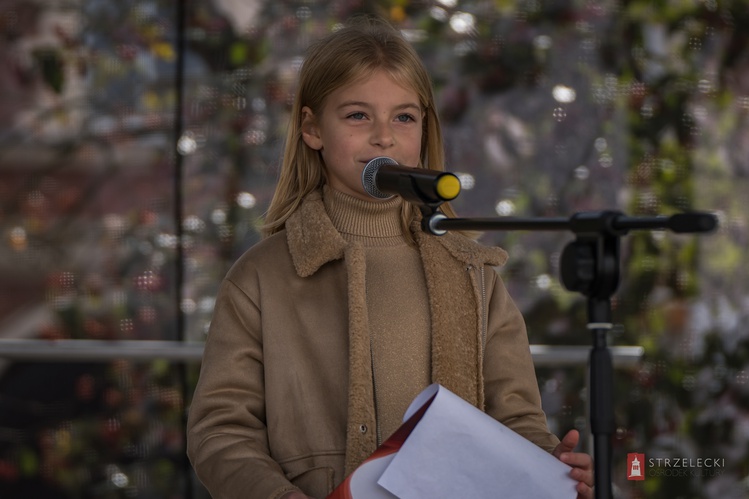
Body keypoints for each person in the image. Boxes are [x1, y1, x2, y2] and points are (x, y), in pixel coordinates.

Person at [186, 15, 594, 499]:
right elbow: (221, 431)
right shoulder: (260, 278)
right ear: (312, 129)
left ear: (425, 127)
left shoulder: (472, 273)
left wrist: (545, 464)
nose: (384, 137)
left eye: (404, 117)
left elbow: (516, 419)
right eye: (358, 116)